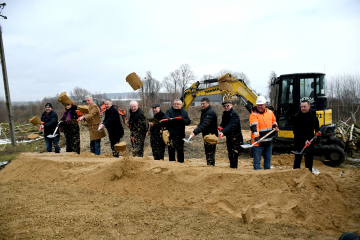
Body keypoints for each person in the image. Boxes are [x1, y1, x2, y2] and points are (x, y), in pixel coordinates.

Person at [249, 96, 279, 170]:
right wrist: (256, 137)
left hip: (268, 142)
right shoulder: (254, 115)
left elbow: (273, 121)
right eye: (258, 105)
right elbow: (254, 127)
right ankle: (257, 175)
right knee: (257, 161)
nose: (259, 106)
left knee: (268, 160)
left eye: (261, 105)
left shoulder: (270, 112)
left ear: (265, 105)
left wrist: (275, 126)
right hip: (258, 143)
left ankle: (266, 175)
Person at [293, 99, 321, 172]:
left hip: (310, 141)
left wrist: (318, 130)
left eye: (305, 107)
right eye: (301, 107)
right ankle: (296, 174)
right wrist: (305, 140)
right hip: (299, 141)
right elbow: (296, 131)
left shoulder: (313, 115)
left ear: (309, 107)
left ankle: (308, 173)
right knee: (298, 159)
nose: (303, 108)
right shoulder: (297, 117)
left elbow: (316, 124)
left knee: (309, 159)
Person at [190, 97, 218, 166]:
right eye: (201, 104)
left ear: (208, 103)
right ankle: (209, 166)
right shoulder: (205, 110)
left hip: (211, 136)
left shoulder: (210, 112)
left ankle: (211, 167)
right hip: (207, 136)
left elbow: (205, 124)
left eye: (204, 104)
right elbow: (203, 122)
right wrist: (198, 126)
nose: (202, 105)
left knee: (210, 153)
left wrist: (195, 132)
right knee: (208, 152)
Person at [218, 100, 243, 168]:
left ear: (231, 105)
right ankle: (231, 167)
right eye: (224, 106)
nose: (226, 107)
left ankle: (234, 168)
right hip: (229, 137)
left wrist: (223, 132)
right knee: (230, 153)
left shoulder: (234, 114)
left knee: (234, 154)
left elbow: (230, 125)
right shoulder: (224, 114)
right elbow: (224, 124)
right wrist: (221, 127)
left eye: (227, 105)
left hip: (236, 138)